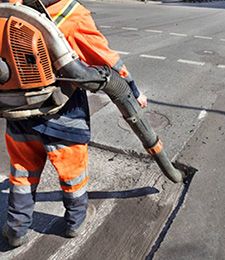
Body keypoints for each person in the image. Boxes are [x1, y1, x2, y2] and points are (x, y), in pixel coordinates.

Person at [2, 0, 147, 247]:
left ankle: (16, 230)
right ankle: (75, 222)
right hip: (65, 117)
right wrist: (133, 90)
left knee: (23, 176)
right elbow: (107, 59)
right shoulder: (72, 14)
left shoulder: (9, 8)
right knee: (73, 175)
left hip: (19, 115)